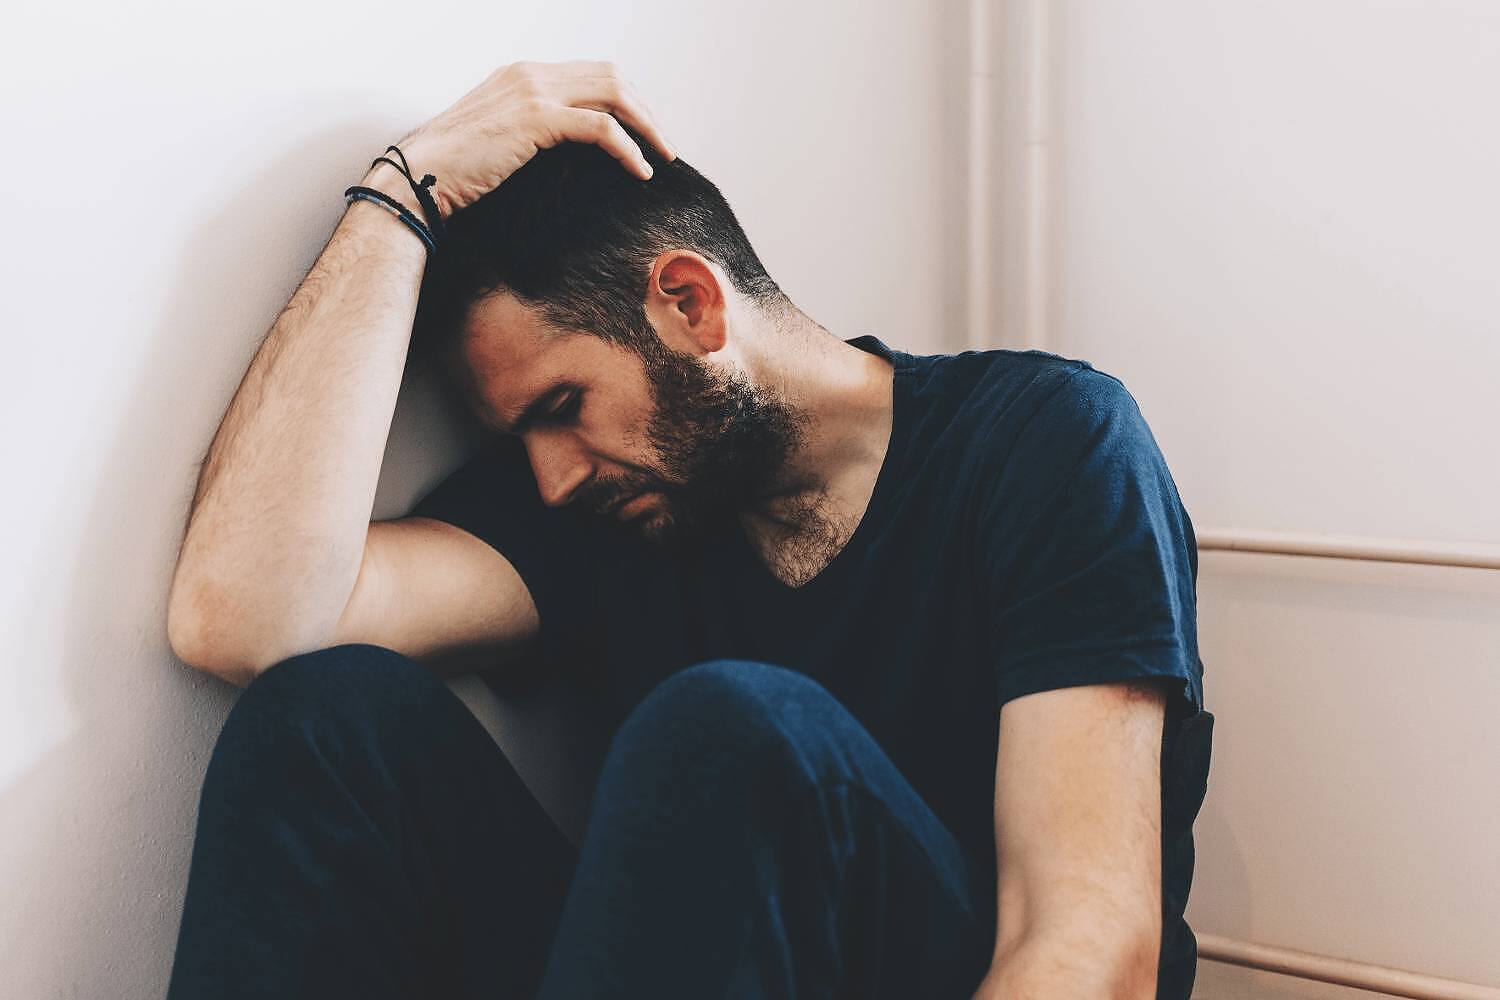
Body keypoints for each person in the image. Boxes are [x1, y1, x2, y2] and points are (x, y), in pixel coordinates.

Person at [164, 59, 1214, 1000]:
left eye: (559, 406)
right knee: (323, 714)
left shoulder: (1049, 442)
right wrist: (397, 197)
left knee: (739, 729)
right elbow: (245, 619)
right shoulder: (615, 510)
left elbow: (1091, 951)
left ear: (688, 304)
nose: (551, 475)